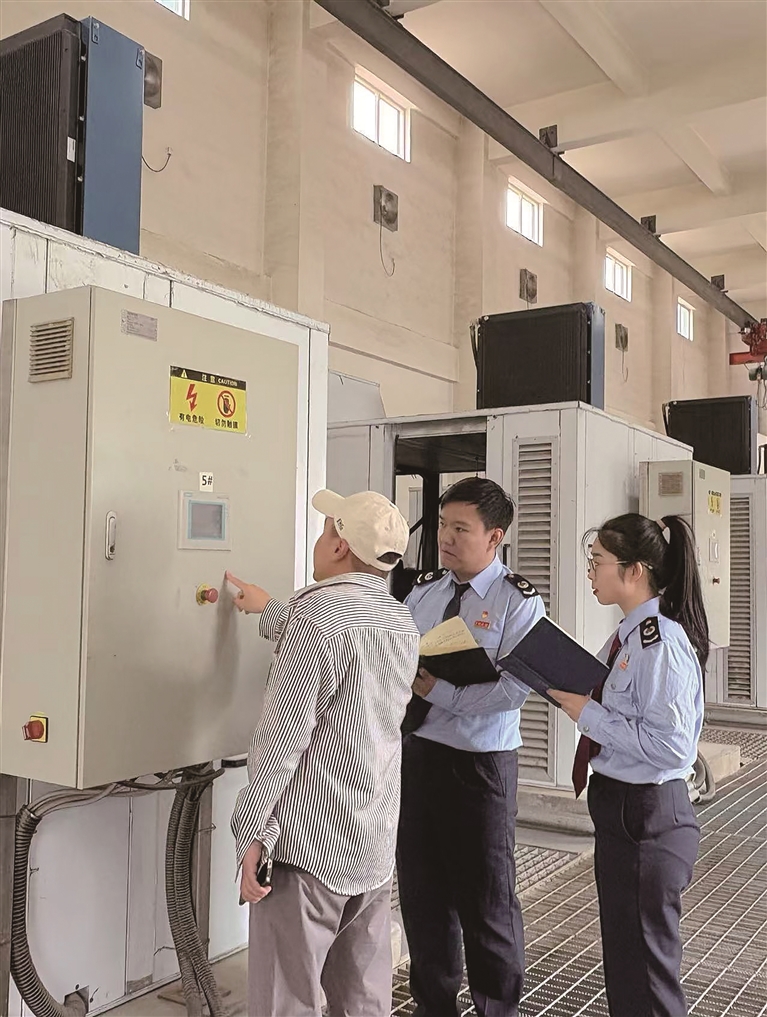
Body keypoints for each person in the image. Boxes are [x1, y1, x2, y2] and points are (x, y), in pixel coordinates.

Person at [229, 489, 420, 1017]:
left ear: (338, 545)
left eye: (325, 530)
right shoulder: (400, 621)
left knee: (286, 999)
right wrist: (267, 607)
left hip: (308, 848)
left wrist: (252, 832)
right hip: (372, 842)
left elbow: (282, 738)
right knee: (361, 996)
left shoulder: (314, 618)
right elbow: (337, 640)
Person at [398, 477, 545, 1017]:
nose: (446, 538)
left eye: (461, 529)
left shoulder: (517, 602)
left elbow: (513, 691)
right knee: (423, 894)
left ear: (495, 537)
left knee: (487, 900)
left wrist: (440, 691)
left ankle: (497, 1007)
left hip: (481, 767)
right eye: (443, 525)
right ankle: (432, 1004)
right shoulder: (424, 592)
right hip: (419, 757)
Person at [550, 513, 707, 1017]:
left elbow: (673, 747)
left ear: (634, 570)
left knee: (647, 972)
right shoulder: (628, 636)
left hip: (649, 815)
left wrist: (586, 713)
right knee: (626, 961)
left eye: (597, 561)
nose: (590, 572)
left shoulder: (660, 643)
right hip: (622, 810)